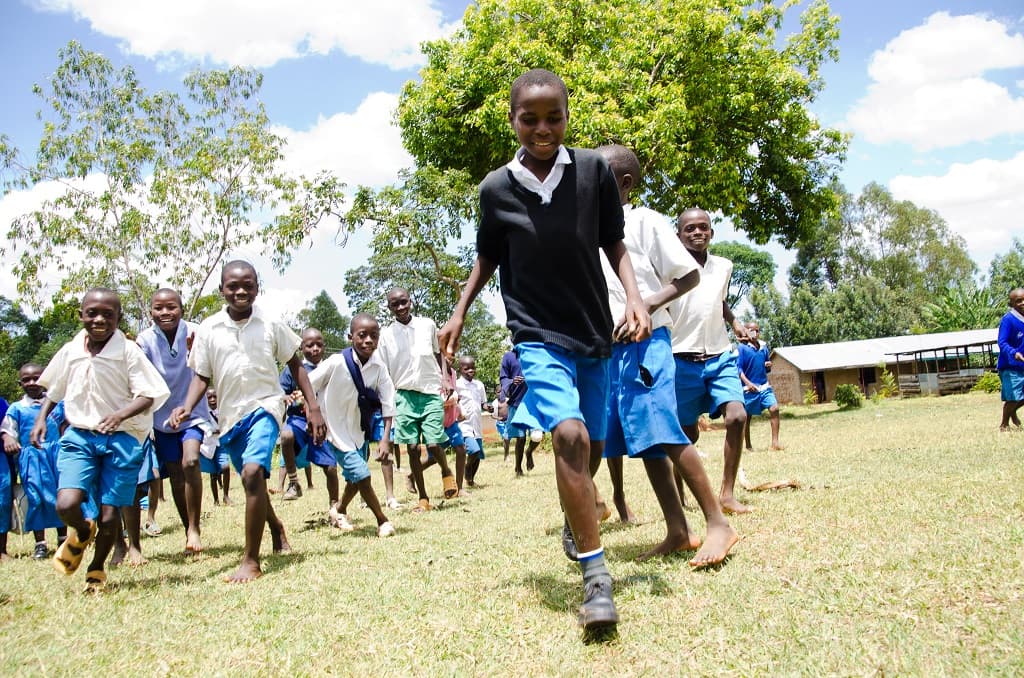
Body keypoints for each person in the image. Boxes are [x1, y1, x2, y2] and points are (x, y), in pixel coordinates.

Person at [438, 68, 651, 632]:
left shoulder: (593, 174)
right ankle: (596, 579)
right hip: (534, 332)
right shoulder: (496, 189)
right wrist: (460, 310)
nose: (541, 128)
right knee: (569, 435)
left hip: (593, 331)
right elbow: (487, 255)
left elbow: (614, 242)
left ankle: (573, 515)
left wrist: (634, 299)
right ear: (512, 120)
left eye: (552, 116)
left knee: (594, 452)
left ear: (566, 115)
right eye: (528, 118)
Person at [595, 144, 738, 566]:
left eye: (598, 176)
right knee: (648, 443)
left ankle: (718, 523)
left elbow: (689, 274)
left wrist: (648, 304)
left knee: (666, 431)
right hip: (614, 350)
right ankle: (678, 530)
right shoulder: (588, 231)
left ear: (623, 184)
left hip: (648, 341)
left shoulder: (644, 222)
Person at [170, 260, 325, 583]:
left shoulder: (270, 323)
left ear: (258, 287)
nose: (241, 291)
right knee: (251, 482)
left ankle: (250, 560)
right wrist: (185, 407)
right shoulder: (209, 329)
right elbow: (201, 375)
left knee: (254, 473)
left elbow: (295, 365)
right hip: (230, 420)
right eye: (233, 286)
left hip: (265, 408)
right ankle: (276, 527)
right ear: (221, 290)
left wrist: (313, 408)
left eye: (248, 285)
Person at [31, 288, 169, 591]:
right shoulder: (72, 349)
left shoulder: (128, 351)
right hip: (80, 436)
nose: (99, 319)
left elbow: (149, 394)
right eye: (92, 312)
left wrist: (120, 415)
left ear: (119, 318)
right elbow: (55, 389)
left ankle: (96, 570)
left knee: (109, 515)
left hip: (122, 439)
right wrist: (42, 419)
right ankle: (81, 530)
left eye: (108, 314)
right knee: (66, 504)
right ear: (81, 315)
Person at [136, 288, 213, 553]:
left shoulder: (196, 331)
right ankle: (187, 527)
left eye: (171, 307)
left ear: (181, 309)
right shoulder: (144, 340)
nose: (165, 312)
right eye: (159, 308)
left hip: (193, 413)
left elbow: (206, 371)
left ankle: (195, 529)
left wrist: (186, 405)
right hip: (161, 419)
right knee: (177, 477)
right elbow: (141, 378)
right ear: (151, 312)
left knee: (191, 461)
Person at [308, 314, 396, 537]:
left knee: (355, 480)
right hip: (335, 431)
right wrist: (313, 412)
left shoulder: (379, 368)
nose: (368, 341)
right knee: (363, 474)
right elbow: (309, 383)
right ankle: (382, 520)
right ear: (350, 337)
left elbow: (388, 404)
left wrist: (385, 438)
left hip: (359, 431)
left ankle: (339, 510)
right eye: (362, 335)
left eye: (373, 336)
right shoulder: (337, 362)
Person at [376, 287, 457, 512]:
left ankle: (446, 471)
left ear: (410, 301)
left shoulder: (427, 325)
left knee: (433, 443)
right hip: (403, 395)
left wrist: (445, 378)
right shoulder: (386, 336)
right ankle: (423, 498)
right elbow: (382, 370)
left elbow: (439, 352)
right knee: (412, 447)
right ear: (389, 307)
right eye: (395, 304)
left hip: (430, 391)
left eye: (403, 302)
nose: (400, 307)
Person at [2, 365, 66, 560]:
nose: (31, 383)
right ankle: (40, 543)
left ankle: (63, 539)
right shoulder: (17, 408)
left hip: (56, 455)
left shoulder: (58, 404)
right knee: (36, 498)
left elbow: (67, 424)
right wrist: (9, 438)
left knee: (60, 496)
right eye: (26, 380)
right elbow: (8, 429)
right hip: (32, 459)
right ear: (20, 383)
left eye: (36, 378)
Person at [277, 328, 342, 517]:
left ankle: (335, 506)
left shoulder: (331, 368)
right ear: (300, 348)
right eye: (309, 345)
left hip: (323, 423)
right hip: (298, 420)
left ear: (324, 346)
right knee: (286, 435)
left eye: (319, 344)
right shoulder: (293, 370)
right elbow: (281, 393)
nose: (315, 349)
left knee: (330, 468)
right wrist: (288, 397)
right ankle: (293, 482)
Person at [738, 321, 783, 450]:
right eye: (752, 330)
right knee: (747, 417)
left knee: (774, 408)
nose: (755, 333)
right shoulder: (742, 348)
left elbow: (766, 368)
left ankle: (775, 443)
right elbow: (738, 370)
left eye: (757, 330)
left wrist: (768, 366)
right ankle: (747, 445)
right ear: (746, 331)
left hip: (764, 386)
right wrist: (748, 383)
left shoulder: (763, 347)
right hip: (748, 389)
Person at [499, 349, 540, 476]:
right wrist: (512, 381)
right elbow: (503, 377)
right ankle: (518, 468)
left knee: (537, 435)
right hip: (517, 401)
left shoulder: (535, 352)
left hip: (534, 401)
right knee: (520, 438)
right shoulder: (509, 356)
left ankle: (529, 452)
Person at [456, 355, 488, 487]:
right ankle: (466, 472)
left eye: (473, 368)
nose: (471, 370)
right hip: (464, 425)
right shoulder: (457, 385)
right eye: (466, 368)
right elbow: (453, 402)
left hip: (477, 424)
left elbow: (483, 403)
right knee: (473, 451)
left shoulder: (479, 385)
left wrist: (488, 407)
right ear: (460, 370)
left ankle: (470, 480)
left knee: (478, 455)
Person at [997, 288, 1024, 430]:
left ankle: (1012, 412)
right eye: (1018, 301)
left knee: (1021, 398)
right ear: (1012, 303)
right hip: (1010, 365)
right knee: (1013, 397)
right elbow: (1002, 342)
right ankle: (1004, 424)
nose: (1023, 303)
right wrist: (1014, 353)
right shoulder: (1008, 320)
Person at [199, 388, 231, 505]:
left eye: (214, 397)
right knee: (213, 474)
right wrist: (212, 431)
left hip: (221, 443)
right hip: (209, 445)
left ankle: (226, 496)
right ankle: (216, 500)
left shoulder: (223, 410)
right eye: (209, 397)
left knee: (226, 467)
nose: (212, 399)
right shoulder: (203, 413)